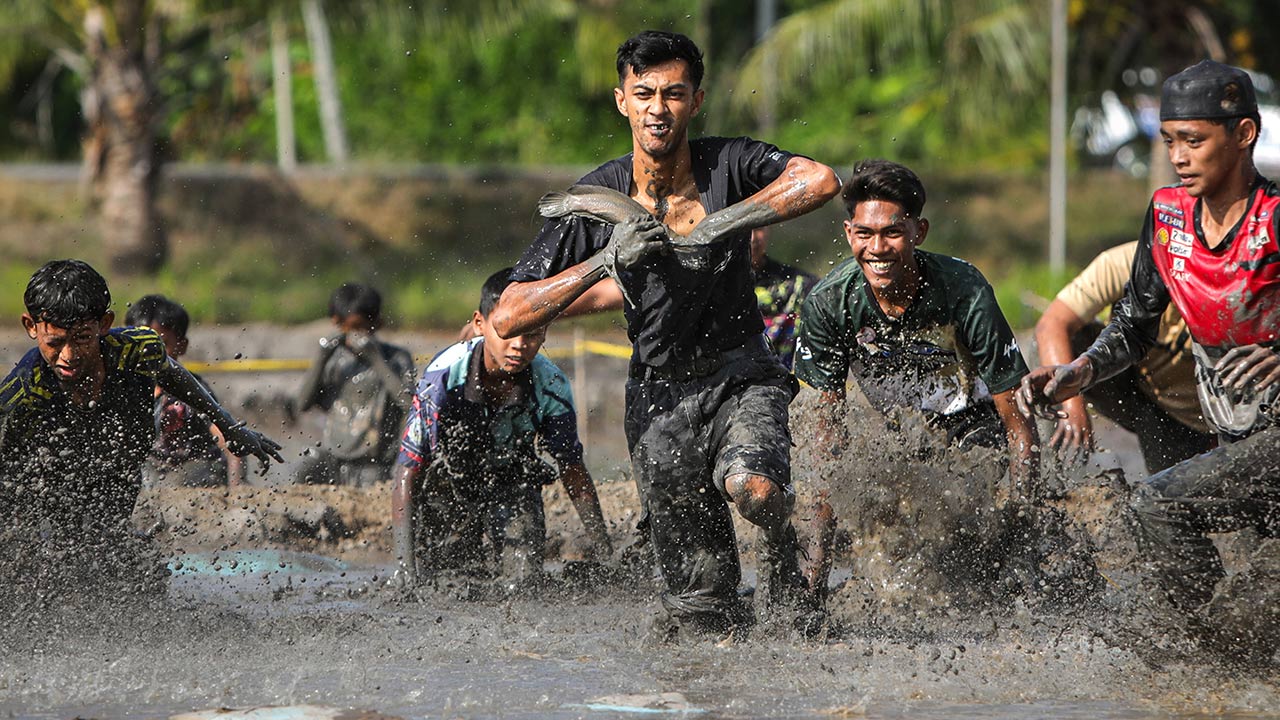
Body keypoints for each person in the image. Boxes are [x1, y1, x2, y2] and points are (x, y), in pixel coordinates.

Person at [489, 30, 841, 638]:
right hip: (657, 399)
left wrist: (724, 223)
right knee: (702, 610)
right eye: (644, 92)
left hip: (742, 375)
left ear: (695, 101)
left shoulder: (729, 161)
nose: (659, 107)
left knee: (754, 490)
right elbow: (510, 313)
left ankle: (787, 546)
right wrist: (605, 261)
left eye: (674, 94)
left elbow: (820, 179)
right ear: (622, 101)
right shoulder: (597, 197)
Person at [1016, 61, 1280, 635]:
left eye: (1194, 140)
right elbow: (1133, 326)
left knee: (1158, 503)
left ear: (1242, 135)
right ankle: (1219, 658)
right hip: (1234, 431)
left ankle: (1206, 650)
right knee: (1261, 586)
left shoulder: (1275, 218)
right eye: (1169, 141)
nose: (1179, 156)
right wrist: (1078, 373)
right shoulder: (1167, 217)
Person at [793, 160, 1041, 589]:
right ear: (849, 234)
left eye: (892, 233)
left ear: (918, 233)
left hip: (974, 425)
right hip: (902, 433)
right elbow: (825, 439)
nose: (878, 249)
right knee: (879, 507)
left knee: (969, 531)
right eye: (865, 235)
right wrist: (812, 577)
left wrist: (1021, 518)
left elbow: (1016, 416)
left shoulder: (964, 289)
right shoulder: (830, 302)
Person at [0, 260, 282, 546]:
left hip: (118, 467)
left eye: (83, 338)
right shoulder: (22, 392)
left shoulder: (137, 349)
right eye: (56, 342)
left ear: (104, 325)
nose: (69, 355)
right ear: (31, 327)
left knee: (129, 556)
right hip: (48, 478)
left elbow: (174, 375)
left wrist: (230, 428)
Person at [391, 268, 613, 587]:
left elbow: (572, 469)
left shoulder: (551, 385)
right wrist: (404, 570)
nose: (519, 346)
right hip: (449, 482)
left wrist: (604, 554)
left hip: (512, 480)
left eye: (533, 333)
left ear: (547, 330)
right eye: (508, 332)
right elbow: (407, 470)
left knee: (524, 584)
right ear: (480, 324)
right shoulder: (441, 378)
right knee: (441, 580)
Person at [1034, 242, 1215, 473]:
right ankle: (1045, 472)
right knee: (1053, 359)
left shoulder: (1246, 270)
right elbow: (1051, 324)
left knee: (1168, 500)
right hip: (1140, 386)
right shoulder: (1126, 262)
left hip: (1195, 411)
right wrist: (1071, 405)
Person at [293, 283, 415, 487]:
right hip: (334, 456)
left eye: (360, 328)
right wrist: (321, 359)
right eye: (347, 329)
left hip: (373, 464)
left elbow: (409, 404)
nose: (355, 337)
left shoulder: (395, 359)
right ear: (337, 324)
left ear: (377, 323)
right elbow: (302, 404)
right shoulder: (335, 361)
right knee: (304, 469)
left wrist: (376, 361)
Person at [125, 294, 246, 487]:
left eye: (160, 345)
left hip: (197, 468)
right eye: (139, 345)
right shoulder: (126, 387)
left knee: (173, 481)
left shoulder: (189, 391)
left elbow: (227, 438)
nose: (147, 353)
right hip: (153, 470)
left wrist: (236, 486)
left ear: (181, 346)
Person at [752, 226, 817, 369]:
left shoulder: (800, 286)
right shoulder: (711, 288)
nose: (752, 238)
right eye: (743, 230)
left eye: (758, 228)